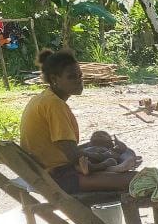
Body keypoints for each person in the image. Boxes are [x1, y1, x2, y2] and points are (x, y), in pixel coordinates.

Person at [20, 50, 137, 193]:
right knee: (139, 180)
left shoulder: (44, 99)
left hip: (48, 173)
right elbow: (73, 156)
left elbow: (64, 149)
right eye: (71, 77)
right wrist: (106, 157)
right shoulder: (54, 104)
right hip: (59, 177)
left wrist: (97, 148)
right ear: (54, 79)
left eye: (80, 76)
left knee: (117, 160)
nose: (79, 80)